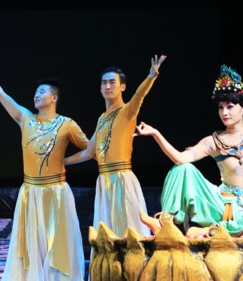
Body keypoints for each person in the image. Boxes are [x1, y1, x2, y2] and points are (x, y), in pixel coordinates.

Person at [0, 49, 91, 281]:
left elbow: (91, 150)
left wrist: (65, 161)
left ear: (54, 98)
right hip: (30, 192)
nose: (36, 95)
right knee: (31, 246)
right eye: (36, 92)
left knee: (58, 245)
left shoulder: (67, 124)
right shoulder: (25, 118)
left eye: (42, 92)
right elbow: (0, 93)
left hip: (56, 192)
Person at [136, 65, 243, 238]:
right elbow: (180, 158)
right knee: (182, 169)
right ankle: (164, 223)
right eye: (221, 107)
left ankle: (208, 231)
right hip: (222, 206)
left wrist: (239, 92)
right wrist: (156, 134)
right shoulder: (214, 141)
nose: (224, 112)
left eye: (230, 106)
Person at [64, 56, 166, 236]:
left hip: (122, 179)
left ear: (122, 87)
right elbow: (88, 152)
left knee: (128, 232)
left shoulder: (127, 111)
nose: (107, 86)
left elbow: (140, 95)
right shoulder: (102, 119)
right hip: (104, 181)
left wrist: (151, 76)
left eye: (112, 82)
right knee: (107, 234)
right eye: (104, 83)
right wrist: (62, 162)